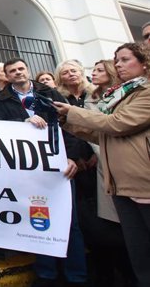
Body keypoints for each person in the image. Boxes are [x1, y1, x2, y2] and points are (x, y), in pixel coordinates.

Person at [55, 43, 150, 287]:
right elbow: (104, 134)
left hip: (144, 183)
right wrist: (67, 121)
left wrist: (73, 112)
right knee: (140, 257)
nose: (118, 64)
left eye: (125, 59)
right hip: (120, 186)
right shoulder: (118, 95)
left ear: (144, 63)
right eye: (116, 60)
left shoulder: (146, 92)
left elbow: (117, 124)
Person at [0, 58, 86, 287]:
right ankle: (46, 274)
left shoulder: (50, 93)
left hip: (60, 166)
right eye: (12, 71)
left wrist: (72, 157)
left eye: (21, 68)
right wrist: (23, 122)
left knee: (69, 221)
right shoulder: (1, 101)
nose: (17, 73)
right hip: (29, 171)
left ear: (27, 70)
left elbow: (72, 125)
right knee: (38, 219)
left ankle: (77, 275)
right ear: (7, 75)